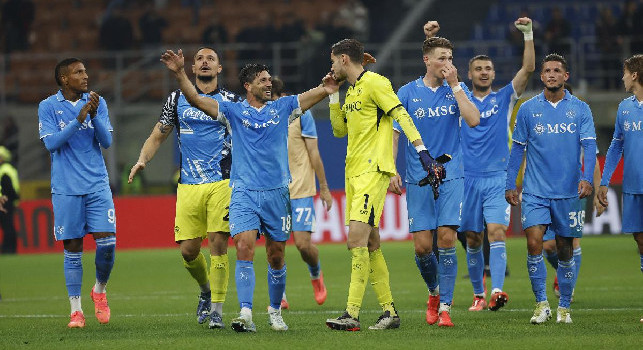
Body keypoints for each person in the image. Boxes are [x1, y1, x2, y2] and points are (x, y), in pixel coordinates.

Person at [161, 49, 338, 332]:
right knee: (243, 247)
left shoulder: (282, 108)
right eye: (264, 80)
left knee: (276, 255)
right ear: (248, 86)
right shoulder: (232, 111)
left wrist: (328, 88)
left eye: (270, 80)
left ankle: (275, 311)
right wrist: (180, 73)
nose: (270, 84)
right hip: (243, 191)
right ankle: (245, 313)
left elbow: (311, 95)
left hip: (277, 193)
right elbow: (195, 99)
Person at [325, 38, 444, 331]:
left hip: (372, 172)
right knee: (371, 243)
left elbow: (401, 114)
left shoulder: (376, 82)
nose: (330, 67)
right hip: (351, 173)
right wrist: (331, 96)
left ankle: (351, 313)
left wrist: (422, 152)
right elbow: (339, 130)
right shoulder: (351, 90)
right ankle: (389, 312)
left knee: (355, 241)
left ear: (343, 59)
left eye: (332, 61)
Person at [129, 47, 241, 330]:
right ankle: (205, 290)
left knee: (218, 244)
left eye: (211, 59)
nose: (205, 62)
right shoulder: (176, 99)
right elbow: (158, 134)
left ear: (219, 69)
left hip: (222, 181)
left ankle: (217, 309)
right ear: (192, 68)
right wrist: (142, 159)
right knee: (189, 251)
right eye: (200, 59)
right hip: (189, 185)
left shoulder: (230, 101)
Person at [389, 27, 480, 327]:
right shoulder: (406, 92)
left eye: (451, 58)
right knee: (422, 248)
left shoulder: (457, 88)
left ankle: (445, 308)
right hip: (418, 177)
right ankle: (434, 291)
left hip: (451, 174)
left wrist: (455, 85)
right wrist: (392, 170)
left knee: (446, 239)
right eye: (442, 58)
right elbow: (395, 133)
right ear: (427, 60)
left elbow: (473, 119)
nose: (448, 64)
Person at [506, 54, 597, 324]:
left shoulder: (580, 109)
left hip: (569, 191)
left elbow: (590, 146)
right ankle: (541, 304)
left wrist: (587, 178)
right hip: (535, 191)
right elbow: (517, 149)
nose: (552, 74)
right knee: (534, 243)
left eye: (557, 70)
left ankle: (565, 307)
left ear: (565, 76)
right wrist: (511, 183)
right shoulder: (527, 109)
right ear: (542, 76)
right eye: (547, 71)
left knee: (564, 249)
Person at [456, 17, 535, 312]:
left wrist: (527, 34)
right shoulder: (458, 99)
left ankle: (497, 291)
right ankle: (479, 294)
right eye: (478, 68)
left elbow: (528, 68)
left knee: (497, 232)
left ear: (493, 72)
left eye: (488, 68)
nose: (484, 72)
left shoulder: (504, 98)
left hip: (497, 178)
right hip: (467, 179)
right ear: (470, 73)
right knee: (473, 238)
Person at [38, 58, 117, 328]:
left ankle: (99, 291)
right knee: (73, 247)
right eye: (78, 72)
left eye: (85, 71)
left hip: (97, 184)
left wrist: (93, 115)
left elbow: (106, 142)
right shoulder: (48, 106)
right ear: (64, 79)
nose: (86, 76)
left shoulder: (98, 102)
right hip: (66, 189)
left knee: (107, 244)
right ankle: (76, 310)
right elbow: (51, 144)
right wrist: (78, 119)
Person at [271, 77, 331, 308]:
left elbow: (314, 153)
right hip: (273, 191)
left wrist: (324, 188)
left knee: (303, 246)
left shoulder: (301, 114)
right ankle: (281, 295)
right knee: (275, 247)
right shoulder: (261, 116)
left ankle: (316, 275)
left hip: (301, 189)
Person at [541, 83, 604, 301]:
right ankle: (563, 273)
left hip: (574, 189)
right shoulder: (542, 122)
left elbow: (592, 160)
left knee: (571, 240)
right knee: (548, 245)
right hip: (544, 188)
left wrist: (597, 191)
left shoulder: (579, 121)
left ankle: (568, 287)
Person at [597, 54, 643, 323]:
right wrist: (604, 182)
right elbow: (615, 146)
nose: (622, 78)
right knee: (640, 241)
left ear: (635, 75)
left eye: (625, 73)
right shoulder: (625, 108)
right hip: (633, 187)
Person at [0, 146, 19, 254]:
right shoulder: (9, 168)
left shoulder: (4, 169)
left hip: (4, 201)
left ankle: (8, 249)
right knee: (8, 226)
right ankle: (9, 249)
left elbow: (7, 187)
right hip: (9, 201)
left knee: (7, 226)